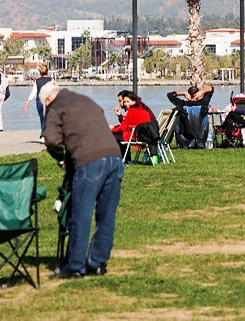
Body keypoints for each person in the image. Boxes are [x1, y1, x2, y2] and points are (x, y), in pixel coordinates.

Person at [40, 82, 124, 279]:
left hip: (90, 162)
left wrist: (61, 158)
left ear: (48, 99)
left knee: (81, 215)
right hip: (115, 158)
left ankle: (75, 266)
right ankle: (97, 264)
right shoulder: (86, 100)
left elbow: (51, 140)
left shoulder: (56, 106)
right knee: (106, 216)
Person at [167, 85, 214, 149]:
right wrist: (202, 92)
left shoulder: (182, 104)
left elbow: (170, 95)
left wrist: (183, 93)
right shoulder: (203, 103)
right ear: (198, 94)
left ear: (188, 95)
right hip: (201, 140)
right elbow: (211, 88)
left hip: (184, 141)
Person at [111, 92, 153, 161]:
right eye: (125, 102)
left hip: (137, 135)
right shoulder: (141, 108)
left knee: (112, 135)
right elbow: (128, 124)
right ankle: (125, 159)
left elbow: (123, 127)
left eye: (128, 101)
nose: (125, 104)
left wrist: (111, 129)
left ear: (134, 101)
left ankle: (123, 159)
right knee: (117, 135)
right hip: (145, 134)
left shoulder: (132, 111)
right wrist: (120, 116)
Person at [24, 64, 53, 134]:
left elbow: (33, 93)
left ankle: (43, 134)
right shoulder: (51, 80)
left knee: (42, 119)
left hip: (39, 101)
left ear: (40, 72)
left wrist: (27, 103)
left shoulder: (37, 81)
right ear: (47, 71)